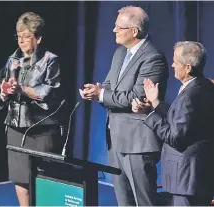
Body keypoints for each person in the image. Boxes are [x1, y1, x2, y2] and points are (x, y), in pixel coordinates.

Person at [79, 6, 168, 206]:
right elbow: (110, 87)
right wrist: (97, 90)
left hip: (137, 143)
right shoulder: (120, 53)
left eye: (119, 27)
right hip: (116, 139)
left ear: (134, 31)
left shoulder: (153, 57)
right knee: (123, 201)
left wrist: (101, 94)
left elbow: (136, 97)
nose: (114, 30)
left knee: (144, 201)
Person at [0, 12, 64, 206]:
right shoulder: (12, 59)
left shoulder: (50, 60)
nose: (22, 41)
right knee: (20, 178)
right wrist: (3, 92)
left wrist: (22, 90)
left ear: (38, 38)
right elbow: (0, 84)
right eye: (19, 36)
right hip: (16, 127)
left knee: (42, 181)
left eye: (27, 36)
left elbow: (50, 91)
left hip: (40, 129)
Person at [133, 41, 214, 206]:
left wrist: (150, 114)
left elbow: (175, 137)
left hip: (185, 179)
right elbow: (184, 120)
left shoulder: (189, 97)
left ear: (188, 67)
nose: (172, 65)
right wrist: (156, 103)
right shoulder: (204, 86)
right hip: (197, 177)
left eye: (176, 62)